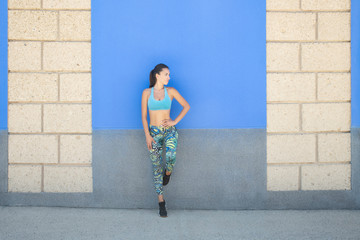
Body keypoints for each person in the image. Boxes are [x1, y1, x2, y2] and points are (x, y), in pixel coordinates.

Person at [141, 63, 190, 217]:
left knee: (170, 157)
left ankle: (168, 172)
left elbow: (186, 106)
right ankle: (161, 202)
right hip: (153, 133)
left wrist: (174, 122)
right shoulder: (146, 93)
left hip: (169, 131)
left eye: (169, 74)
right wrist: (147, 135)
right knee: (156, 168)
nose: (169, 77)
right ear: (158, 75)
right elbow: (143, 116)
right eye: (166, 74)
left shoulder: (171, 91)